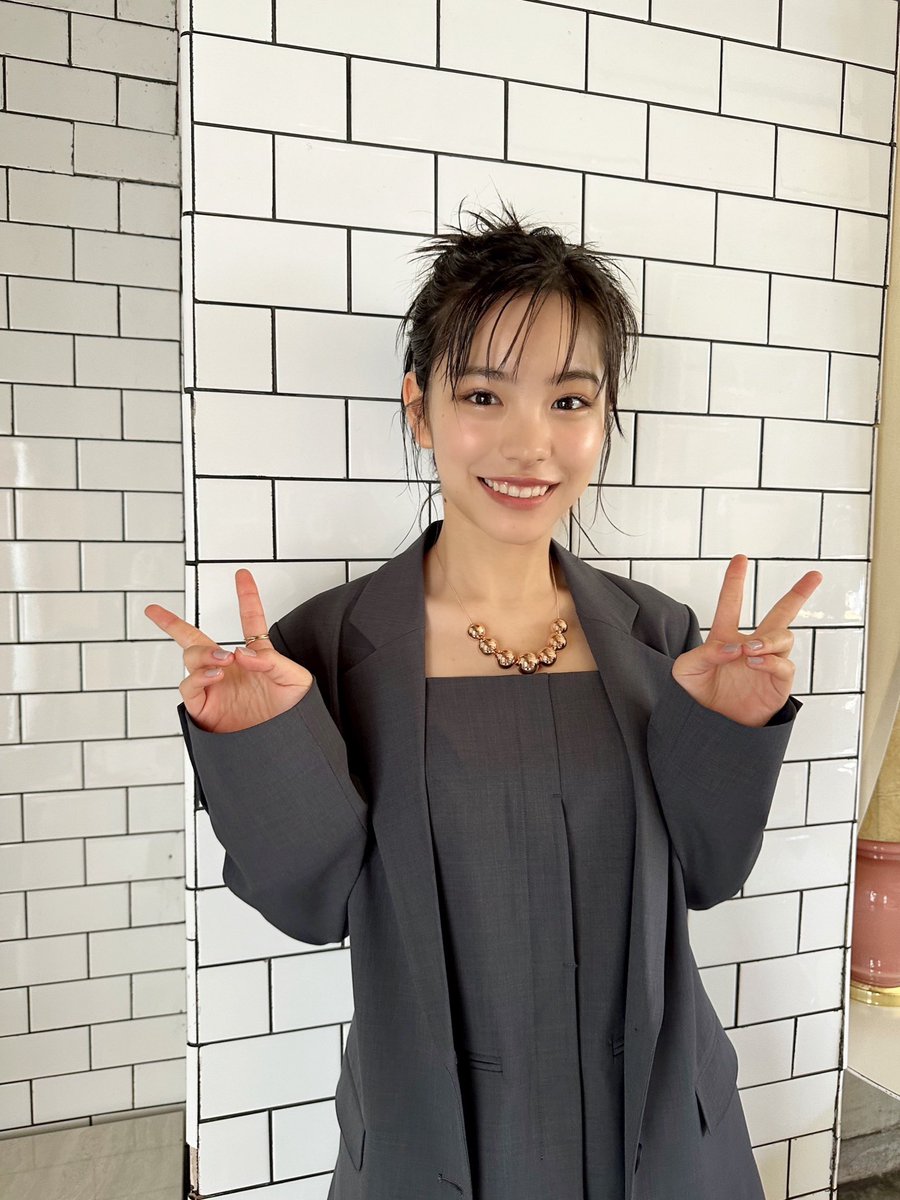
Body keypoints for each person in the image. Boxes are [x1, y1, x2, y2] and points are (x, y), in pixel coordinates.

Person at [147, 201, 821, 1200]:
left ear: (604, 420)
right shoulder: (319, 653)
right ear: (419, 410)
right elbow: (311, 908)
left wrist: (732, 724)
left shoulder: (665, 638)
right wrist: (258, 745)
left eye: (569, 399)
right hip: (436, 1144)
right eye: (483, 394)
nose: (529, 443)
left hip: (657, 1135)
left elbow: (709, 876)